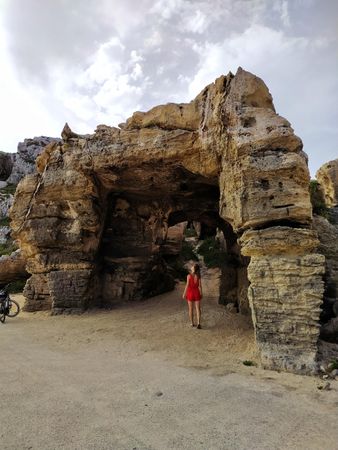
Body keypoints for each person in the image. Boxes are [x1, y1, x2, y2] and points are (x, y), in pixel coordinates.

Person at [182, 263, 203, 329]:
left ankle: (192, 323)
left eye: (192, 266)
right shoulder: (198, 276)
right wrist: (201, 293)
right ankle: (199, 323)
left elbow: (187, 285)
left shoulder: (189, 276)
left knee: (190, 309)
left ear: (194, 269)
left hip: (190, 293)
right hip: (197, 292)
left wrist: (184, 294)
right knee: (198, 308)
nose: (191, 267)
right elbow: (200, 286)